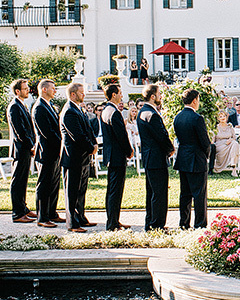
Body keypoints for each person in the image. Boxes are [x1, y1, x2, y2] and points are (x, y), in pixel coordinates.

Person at [136, 84, 175, 230]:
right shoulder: (151, 114)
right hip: (156, 158)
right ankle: (157, 225)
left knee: (152, 192)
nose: (160, 96)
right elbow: (161, 136)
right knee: (159, 193)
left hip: (149, 157)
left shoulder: (143, 112)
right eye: (159, 94)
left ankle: (151, 222)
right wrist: (170, 148)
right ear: (152, 96)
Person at [60, 82, 97, 232]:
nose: (84, 95)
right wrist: (90, 147)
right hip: (73, 157)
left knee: (81, 190)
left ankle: (80, 217)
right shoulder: (69, 111)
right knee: (72, 191)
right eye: (82, 93)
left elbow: (88, 130)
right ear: (73, 94)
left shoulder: (78, 109)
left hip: (82, 157)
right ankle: (72, 223)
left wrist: (93, 144)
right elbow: (77, 135)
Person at [173, 89, 211, 229]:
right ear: (194, 100)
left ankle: (184, 223)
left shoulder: (178, 117)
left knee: (185, 194)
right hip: (196, 158)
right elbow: (205, 142)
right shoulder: (197, 118)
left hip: (183, 157)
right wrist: (207, 155)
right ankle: (200, 224)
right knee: (199, 194)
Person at [31, 79, 64, 228]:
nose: (55, 91)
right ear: (44, 89)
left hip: (54, 151)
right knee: (44, 185)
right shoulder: (39, 107)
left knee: (54, 183)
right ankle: (42, 217)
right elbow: (47, 133)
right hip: (45, 151)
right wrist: (61, 142)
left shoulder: (49, 105)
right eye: (53, 88)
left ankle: (52, 213)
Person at [100, 84, 133, 231]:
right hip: (117, 155)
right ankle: (112, 223)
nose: (121, 96)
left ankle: (113, 220)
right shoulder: (114, 112)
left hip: (111, 154)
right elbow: (121, 136)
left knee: (113, 189)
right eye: (119, 93)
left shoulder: (106, 110)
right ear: (113, 94)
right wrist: (129, 151)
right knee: (115, 190)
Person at [7, 79, 37, 224]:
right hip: (20, 149)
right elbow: (20, 131)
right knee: (17, 181)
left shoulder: (22, 105)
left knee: (23, 180)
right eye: (25, 89)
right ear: (17, 91)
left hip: (25, 148)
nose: (28, 91)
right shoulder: (14, 107)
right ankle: (17, 213)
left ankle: (23, 208)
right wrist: (31, 145)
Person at [213, 111, 240, 176]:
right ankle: (233, 167)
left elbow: (234, 138)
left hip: (230, 144)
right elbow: (213, 140)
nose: (222, 118)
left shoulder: (230, 127)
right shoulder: (216, 128)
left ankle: (233, 168)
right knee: (234, 144)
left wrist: (231, 140)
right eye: (220, 116)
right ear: (218, 119)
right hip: (220, 145)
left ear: (226, 117)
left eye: (224, 116)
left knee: (235, 144)